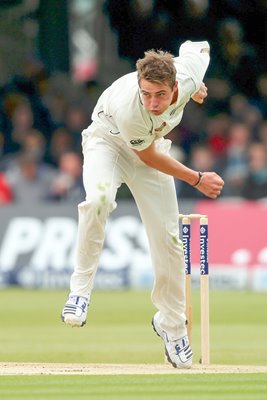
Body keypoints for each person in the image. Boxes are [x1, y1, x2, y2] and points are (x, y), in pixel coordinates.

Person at [61, 40, 224, 369]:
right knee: (99, 200)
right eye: (146, 93)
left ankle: (172, 325)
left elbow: (197, 46)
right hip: (107, 143)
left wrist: (197, 86)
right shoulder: (131, 107)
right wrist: (196, 178)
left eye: (160, 95)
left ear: (175, 85)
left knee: (170, 240)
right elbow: (146, 154)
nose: (152, 102)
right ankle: (79, 291)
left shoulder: (188, 74)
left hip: (151, 149)